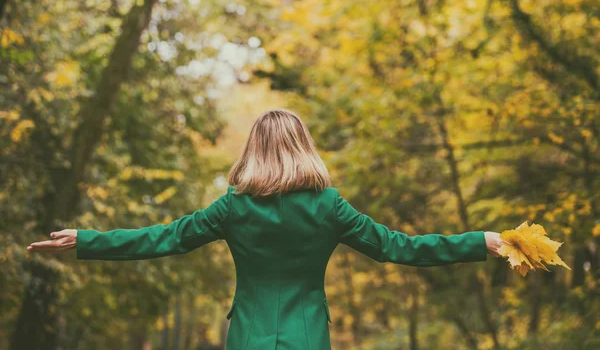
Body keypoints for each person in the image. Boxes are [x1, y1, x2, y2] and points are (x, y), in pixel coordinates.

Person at [28, 109, 504, 350]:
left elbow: (164, 237)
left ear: (255, 148)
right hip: (307, 336)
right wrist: (479, 241)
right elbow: (400, 248)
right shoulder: (330, 206)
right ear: (303, 146)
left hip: (249, 337)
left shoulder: (234, 208)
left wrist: (86, 240)